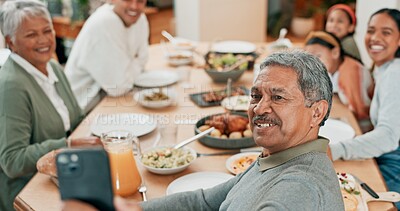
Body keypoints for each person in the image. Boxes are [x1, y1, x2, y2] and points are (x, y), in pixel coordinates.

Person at [63, 50, 345, 210]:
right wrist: (135, 209)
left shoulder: (299, 190)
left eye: (278, 97)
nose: (259, 109)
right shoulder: (278, 156)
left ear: (317, 111)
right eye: (256, 96)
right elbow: (204, 202)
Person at [0, 1, 102, 210]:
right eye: (31, 35)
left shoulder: (53, 67)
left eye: (47, 31)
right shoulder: (10, 86)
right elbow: (12, 160)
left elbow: (76, 121)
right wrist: (68, 144)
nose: (44, 40)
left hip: (67, 173)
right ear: (11, 42)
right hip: (29, 192)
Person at [329, 8, 400, 210]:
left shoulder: (395, 73)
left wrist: (337, 150)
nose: (375, 38)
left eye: (386, 32)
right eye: (370, 30)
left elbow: (388, 136)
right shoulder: (384, 68)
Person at [64, 0, 149, 114]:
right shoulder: (105, 21)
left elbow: (144, 59)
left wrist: (128, 70)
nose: (134, 6)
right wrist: (133, 63)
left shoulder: (140, 19)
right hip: (82, 111)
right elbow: (118, 87)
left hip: (108, 100)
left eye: (140, 1)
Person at [304, 31, 373, 120]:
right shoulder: (330, 68)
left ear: (335, 52)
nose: (314, 63)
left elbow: (360, 112)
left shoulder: (350, 73)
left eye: (318, 56)